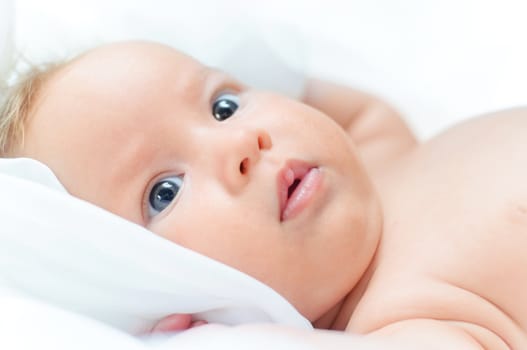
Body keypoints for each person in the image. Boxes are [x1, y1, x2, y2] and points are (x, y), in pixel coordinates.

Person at [1, 40, 526, 349]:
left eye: (223, 105)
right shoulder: (403, 320)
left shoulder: (376, 150)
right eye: (165, 192)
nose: (242, 144)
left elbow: (305, 86)